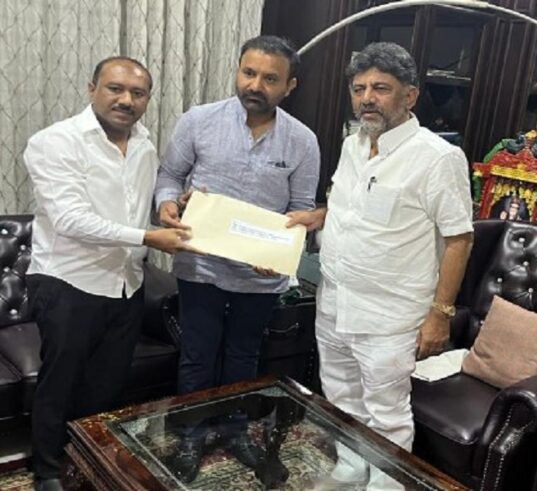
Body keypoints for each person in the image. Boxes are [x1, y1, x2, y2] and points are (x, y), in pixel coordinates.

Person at [287, 42, 474, 488]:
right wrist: (321, 216)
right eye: (359, 89)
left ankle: (385, 485)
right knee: (340, 397)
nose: (367, 98)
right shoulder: (352, 144)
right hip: (335, 300)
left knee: (386, 413)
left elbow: (459, 239)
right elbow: (355, 209)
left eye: (380, 88)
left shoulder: (438, 157)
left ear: (410, 95)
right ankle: (351, 470)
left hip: (390, 315)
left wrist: (440, 314)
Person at [24, 56, 196, 491]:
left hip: (126, 283)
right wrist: (148, 237)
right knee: (60, 383)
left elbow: (137, 208)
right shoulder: (55, 142)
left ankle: (90, 458)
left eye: (138, 93)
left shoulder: (144, 145)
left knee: (107, 385)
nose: (126, 100)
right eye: (115, 89)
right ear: (92, 89)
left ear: (147, 100)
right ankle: (47, 470)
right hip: (68, 281)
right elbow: (69, 219)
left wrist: (177, 208)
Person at [154, 35, 320, 482]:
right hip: (200, 266)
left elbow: (301, 210)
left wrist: (280, 254)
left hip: (258, 276)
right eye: (249, 73)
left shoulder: (303, 141)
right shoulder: (199, 120)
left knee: (244, 356)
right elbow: (169, 176)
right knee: (197, 356)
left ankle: (235, 431)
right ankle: (191, 435)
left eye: (270, 79)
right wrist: (167, 205)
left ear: (290, 86)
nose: (255, 85)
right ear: (238, 71)